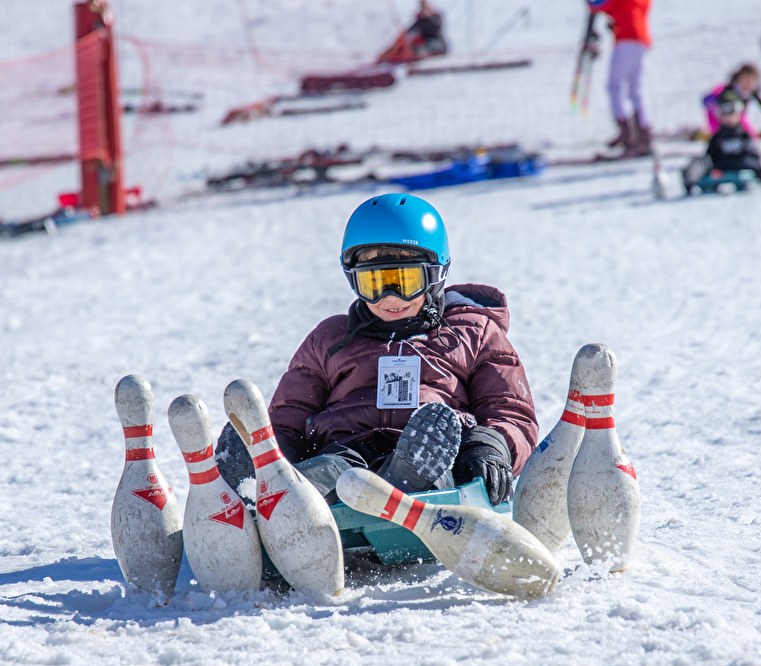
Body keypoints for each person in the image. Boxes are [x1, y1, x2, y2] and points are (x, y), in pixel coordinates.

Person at [216, 193, 538, 509]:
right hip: (346, 457)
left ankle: (403, 482)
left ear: (436, 273)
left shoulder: (472, 332)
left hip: (435, 457)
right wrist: (276, 453)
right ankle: (274, 497)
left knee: (432, 469)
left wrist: (490, 447)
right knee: (320, 476)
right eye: (373, 283)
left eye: (405, 281)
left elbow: (509, 410)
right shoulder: (330, 339)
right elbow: (289, 418)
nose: (389, 297)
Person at [586, 0, 652, 157]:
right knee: (635, 90)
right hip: (641, 40)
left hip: (626, 40)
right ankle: (644, 138)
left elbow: (597, 5)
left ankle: (629, 139)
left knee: (615, 87)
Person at [683, 89, 761, 192]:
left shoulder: (744, 136)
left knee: (753, 165)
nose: (728, 116)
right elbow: (708, 158)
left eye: (731, 110)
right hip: (720, 167)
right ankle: (691, 179)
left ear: (739, 112)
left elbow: (754, 159)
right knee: (699, 162)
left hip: (742, 168)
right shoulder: (717, 137)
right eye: (724, 111)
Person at [703, 63, 761, 138]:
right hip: (721, 117)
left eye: (750, 82)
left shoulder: (750, 92)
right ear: (739, 78)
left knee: (749, 133)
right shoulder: (730, 90)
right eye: (745, 80)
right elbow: (719, 105)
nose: (747, 84)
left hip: (737, 117)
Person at [377, 2, 448, 65]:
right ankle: (387, 56)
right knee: (404, 42)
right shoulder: (420, 19)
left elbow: (434, 27)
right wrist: (405, 33)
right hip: (425, 41)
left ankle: (416, 53)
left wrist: (426, 17)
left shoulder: (435, 17)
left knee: (423, 48)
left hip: (437, 43)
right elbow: (412, 29)